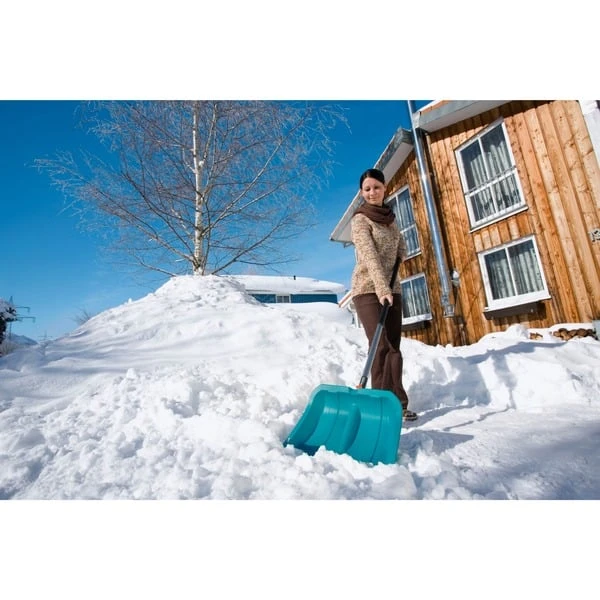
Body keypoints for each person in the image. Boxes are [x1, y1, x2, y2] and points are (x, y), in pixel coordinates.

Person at [350, 168, 417, 421]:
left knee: (393, 348)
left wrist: (402, 250)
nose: (372, 193)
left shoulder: (390, 219)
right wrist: (381, 288)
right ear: (362, 192)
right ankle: (378, 404)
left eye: (376, 187)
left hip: (392, 288)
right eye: (367, 189)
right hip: (367, 289)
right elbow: (370, 256)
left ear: (384, 188)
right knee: (380, 345)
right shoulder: (360, 220)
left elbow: (399, 242)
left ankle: (397, 404)